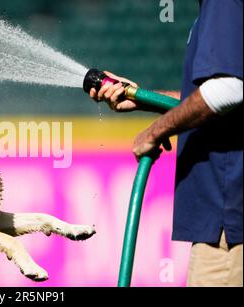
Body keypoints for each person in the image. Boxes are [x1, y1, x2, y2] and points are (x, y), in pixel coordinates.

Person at [89, 0, 243, 287]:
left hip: (230, 224)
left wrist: (155, 132)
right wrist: (142, 98)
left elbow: (228, 89)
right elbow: (217, 94)